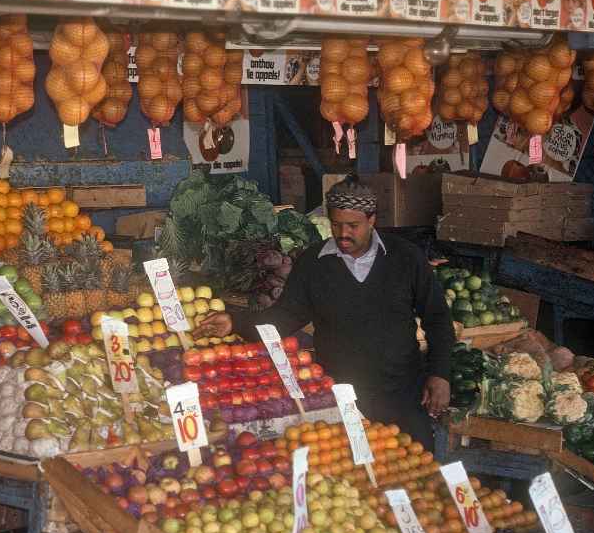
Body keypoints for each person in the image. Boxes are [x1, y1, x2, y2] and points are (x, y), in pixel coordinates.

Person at [194, 177, 455, 446]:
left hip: (402, 392)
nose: (343, 234)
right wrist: (235, 322)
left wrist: (440, 373)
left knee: (417, 470)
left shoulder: (405, 257)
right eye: (336, 224)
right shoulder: (314, 263)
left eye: (353, 226)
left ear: (372, 220)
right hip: (340, 397)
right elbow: (284, 317)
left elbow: (437, 318)